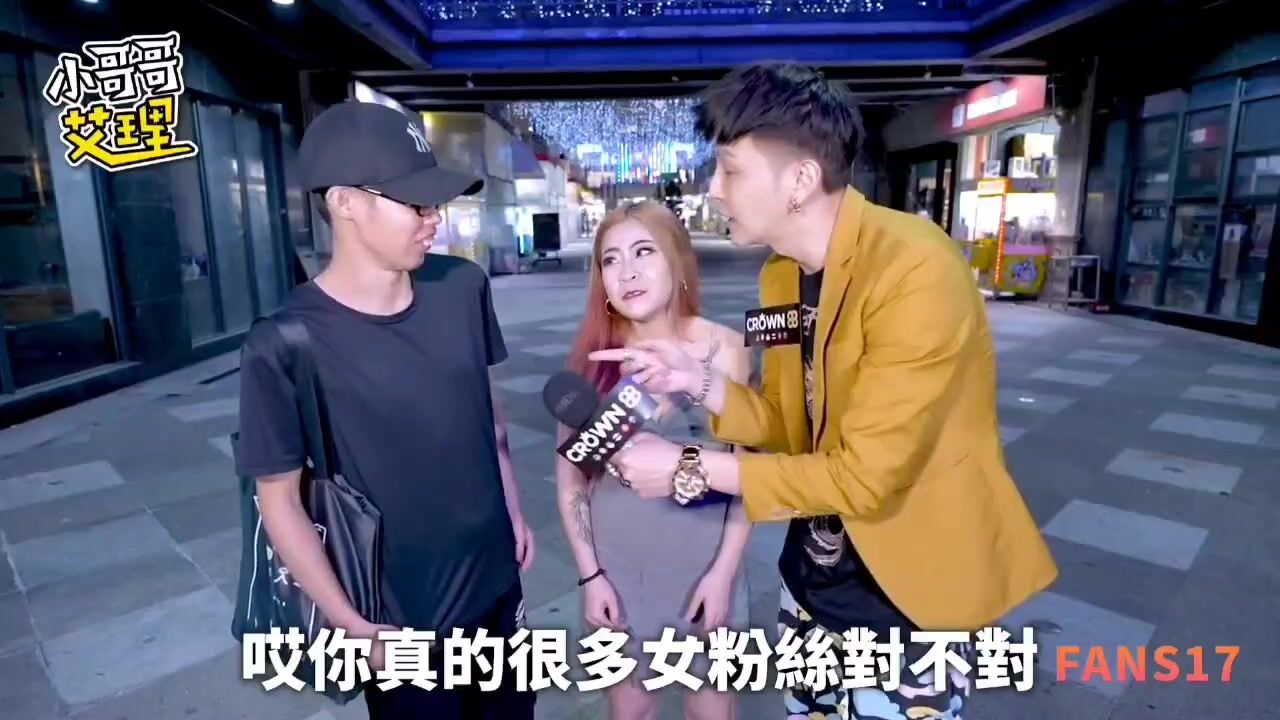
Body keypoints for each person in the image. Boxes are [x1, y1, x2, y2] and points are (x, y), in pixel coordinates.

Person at [591, 62, 1059, 718]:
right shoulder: (782, 276)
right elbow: (788, 424)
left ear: (800, 180)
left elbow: (865, 476)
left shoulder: (914, 268)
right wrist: (698, 382)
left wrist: (687, 466)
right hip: (812, 583)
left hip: (909, 597)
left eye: (730, 170)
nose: (715, 190)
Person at [234, 101, 536, 719]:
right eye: (415, 204)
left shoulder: (462, 287)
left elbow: (489, 416)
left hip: (499, 593)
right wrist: (352, 626)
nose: (434, 219)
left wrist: (512, 510)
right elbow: (279, 501)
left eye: (435, 202)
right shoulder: (284, 342)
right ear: (345, 202)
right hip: (397, 626)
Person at [557, 200, 752, 720]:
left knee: (711, 711)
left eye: (644, 252)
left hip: (706, 566)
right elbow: (572, 484)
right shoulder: (592, 361)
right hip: (620, 573)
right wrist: (591, 576)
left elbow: (752, 477)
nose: (627, 272)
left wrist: (723, 574)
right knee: (631, 711)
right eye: (611, 259)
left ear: (677, 259)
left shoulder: (729, 352)